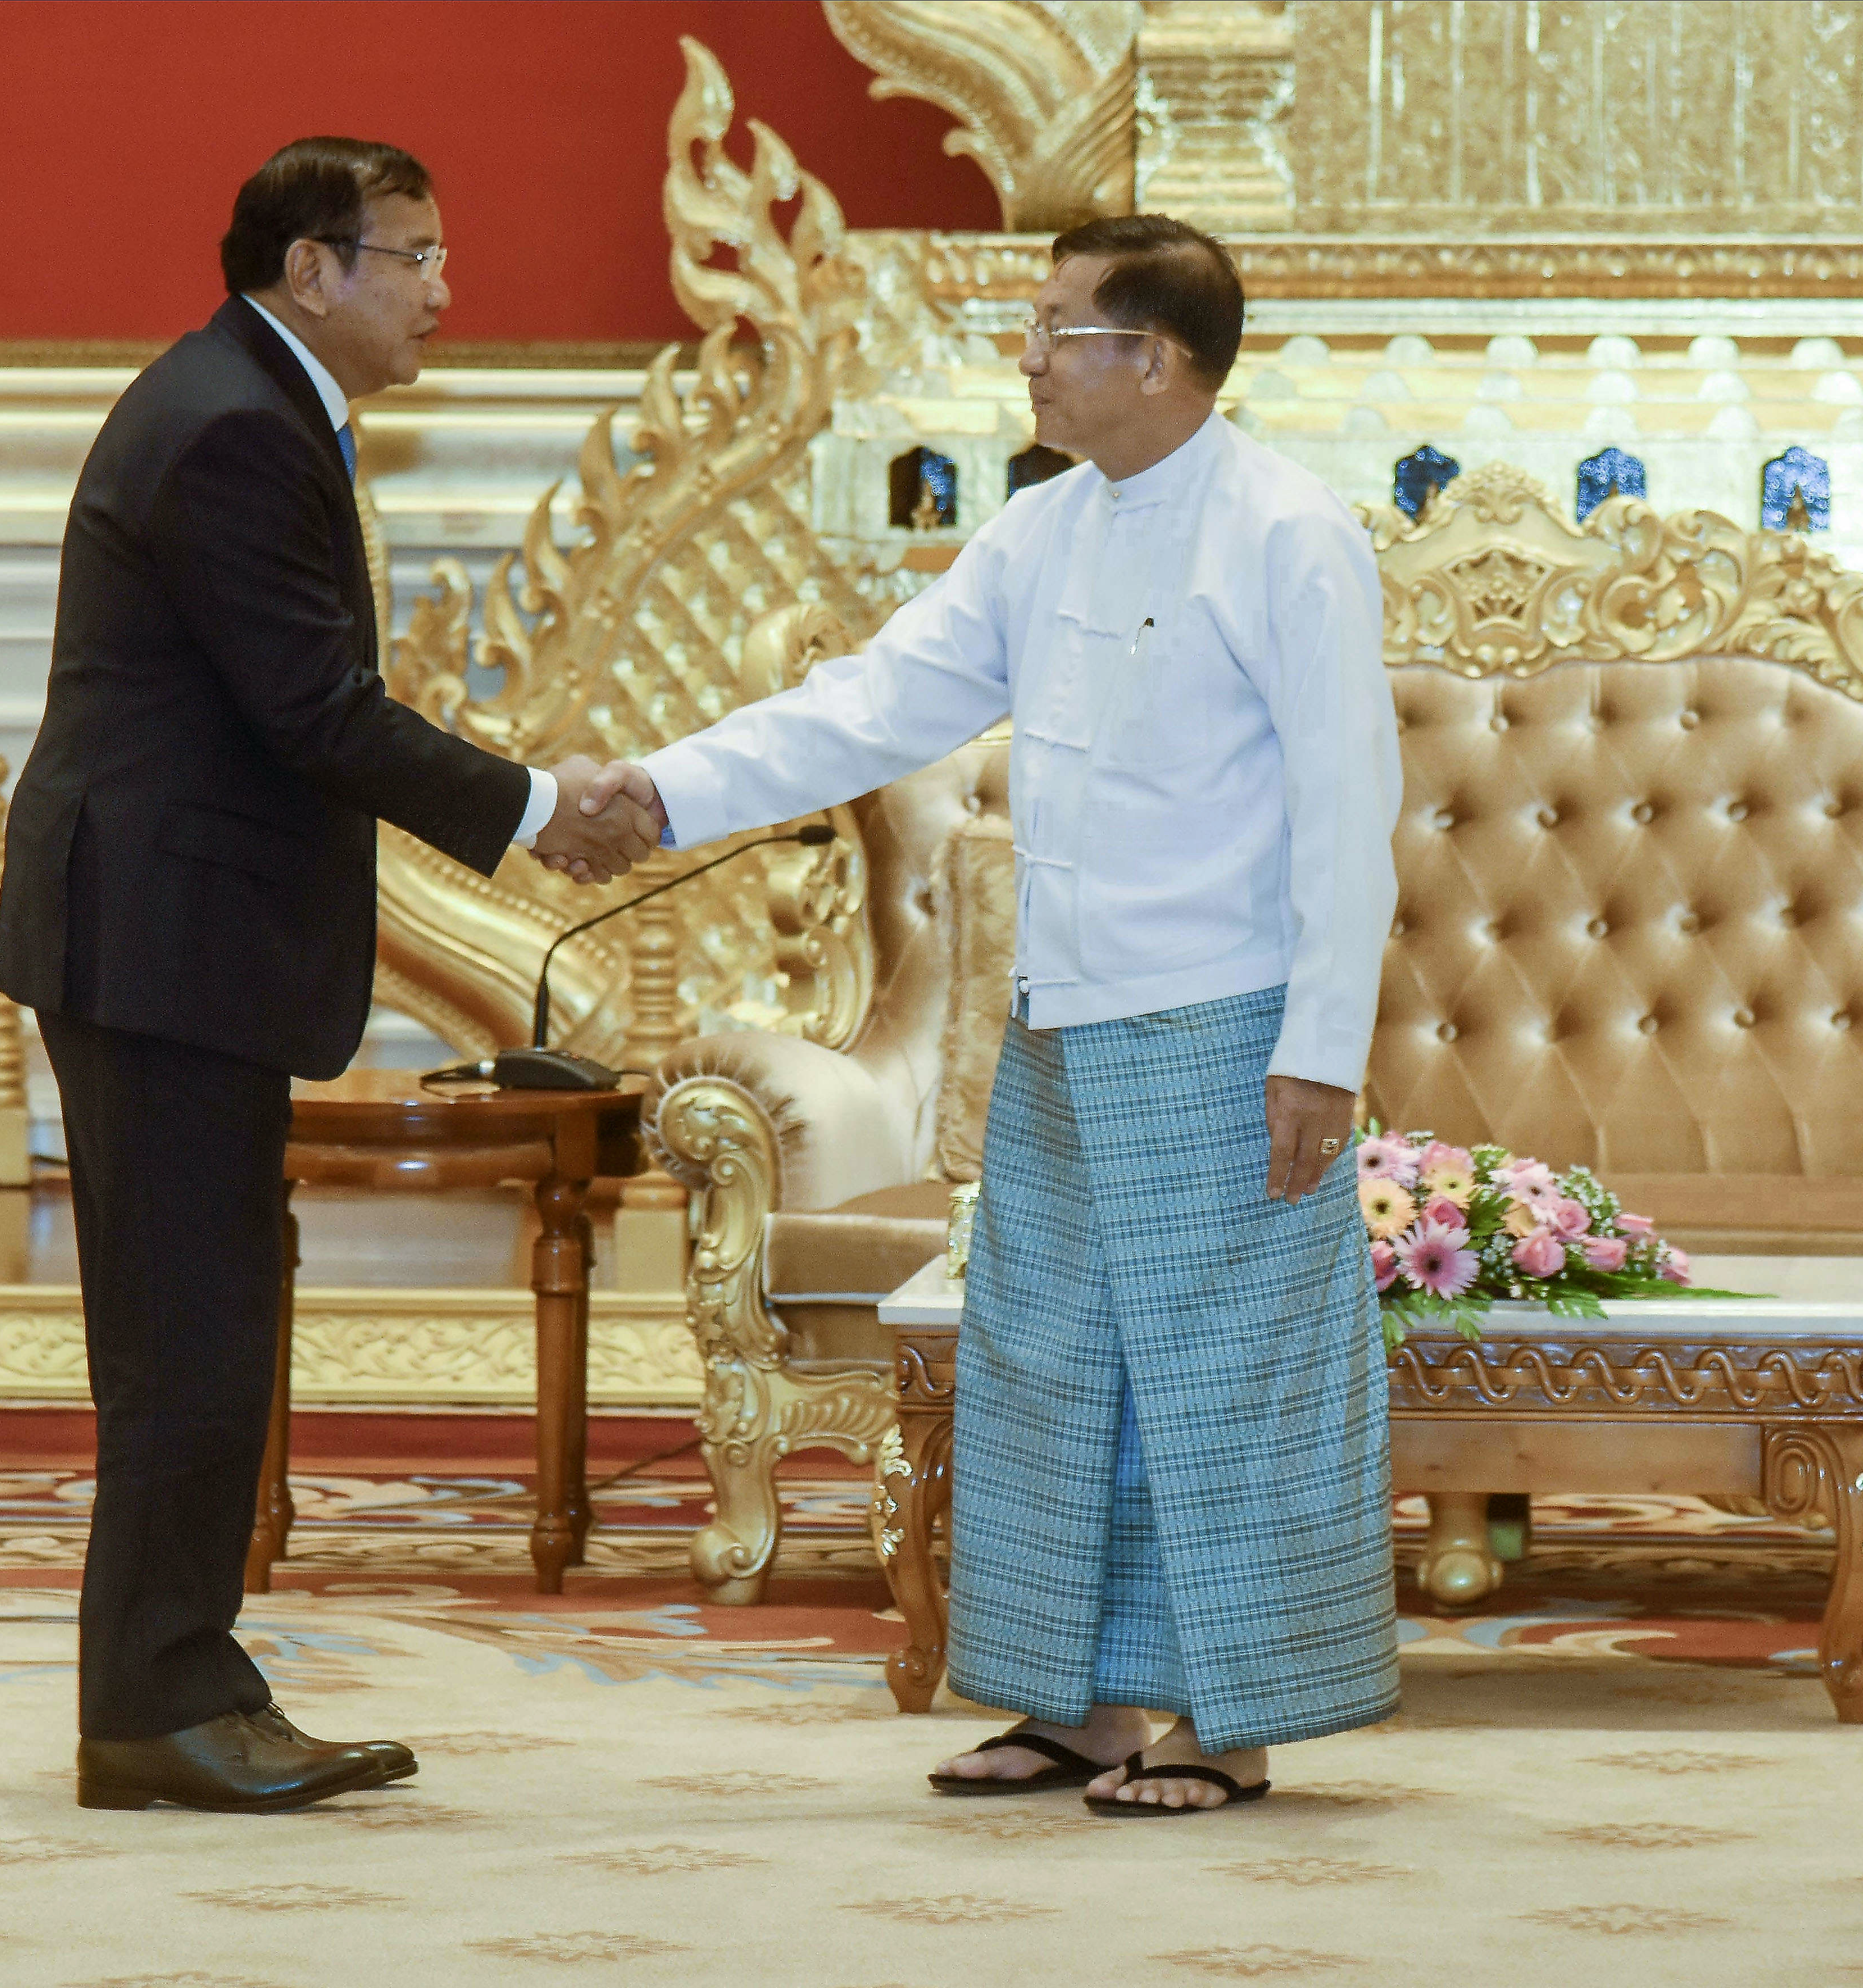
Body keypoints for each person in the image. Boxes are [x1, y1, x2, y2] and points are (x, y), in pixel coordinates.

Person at [587, 214, 1401, 1812]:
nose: (1023, 355)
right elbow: (873, 705)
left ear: (1151, 360)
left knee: (1216, 1369)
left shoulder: (1286, 532)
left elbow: (1347, 806)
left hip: (1225, 1024)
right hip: (1059, 1017)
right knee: (1050, 1356)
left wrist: (1324, 1046)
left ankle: (1221, 1723)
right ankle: (1077, 1705)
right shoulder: (1044, 532)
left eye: (1052, 328)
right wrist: (659, 791)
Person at [0, 137, 658, 1814]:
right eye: (416, 254)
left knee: (200, 1326)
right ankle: (157, 1705)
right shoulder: (229, 427)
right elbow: (312, 711)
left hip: (174, 938)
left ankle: (176, 1682)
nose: (447, 287)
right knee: (187, 1339)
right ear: (314, 267)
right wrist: (529, 808)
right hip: (159, 946)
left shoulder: (246, 402)